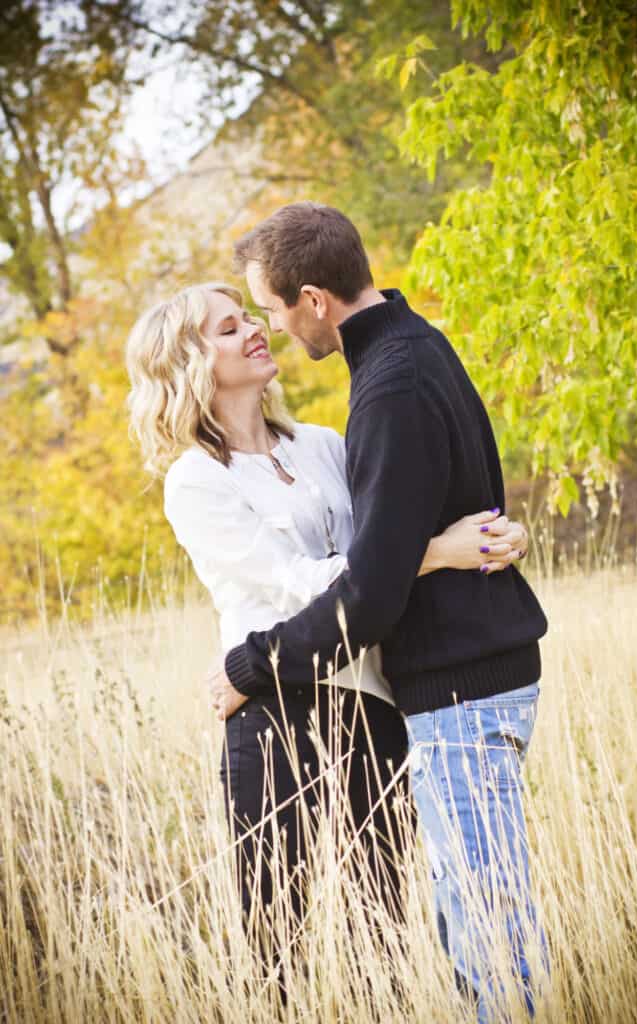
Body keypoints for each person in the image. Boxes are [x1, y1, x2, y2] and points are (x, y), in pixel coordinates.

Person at [209, 203, 549, 1020]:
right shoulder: (412, 347)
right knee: (479, 917)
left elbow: (372, 592)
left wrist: (253, 665)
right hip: (469, 683)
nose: (275, 328)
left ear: (315, 301)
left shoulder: (389, 384)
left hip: (461, 693)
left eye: (273, 309)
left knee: (488, 937)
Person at [125, 281, 528, 930]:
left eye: (250, 317)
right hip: (277, 715)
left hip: (376, 708)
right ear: (188, 364)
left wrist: (490, 535)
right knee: (276, 944)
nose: (256, 329)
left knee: (383, 935)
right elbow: (296, 581)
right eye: (228, 329)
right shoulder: (197, 480)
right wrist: (435, 552)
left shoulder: (324, 446)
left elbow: (389, 538)